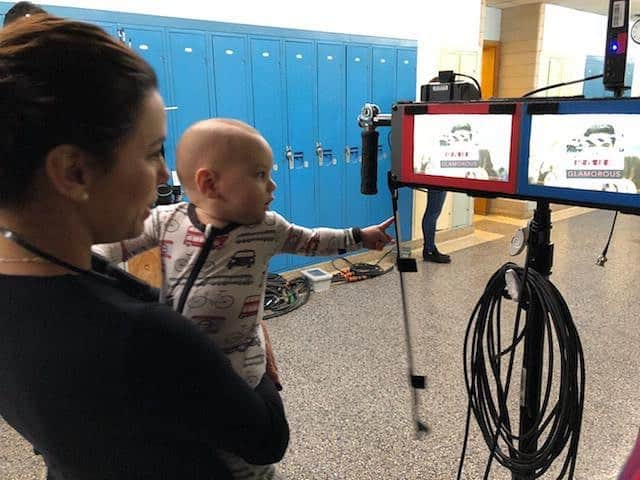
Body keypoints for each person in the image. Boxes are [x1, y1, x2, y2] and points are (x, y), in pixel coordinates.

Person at [0, 15, 288, 480]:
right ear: (74, 172)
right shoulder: (143, 337)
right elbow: (266, 440)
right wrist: (247, 337)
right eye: (152, 151)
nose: (162, 176)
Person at [94, 117, 395, 479]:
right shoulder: (167, 219)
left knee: (244, 456)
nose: (273, 185)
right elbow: (115, 247)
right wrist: (76, 261)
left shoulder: (269, 228)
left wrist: (359, 235)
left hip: (241, 365)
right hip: (181, 359)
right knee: (191, 442)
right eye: (259, 175)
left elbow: (312, 240)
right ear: (209, 183)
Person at [421, 189, 450, 263]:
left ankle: (429, 248)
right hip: (437, 182)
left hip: (440, 182)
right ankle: (429, 250)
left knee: (433, 213)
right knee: (432, 214)